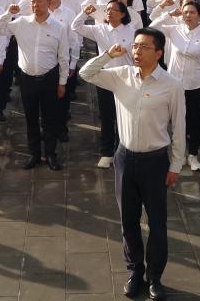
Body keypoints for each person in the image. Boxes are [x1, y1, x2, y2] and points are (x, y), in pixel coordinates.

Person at [79, 30, 185, 301]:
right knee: (128, 220)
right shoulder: (121, 75)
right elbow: (85, 73)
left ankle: (155, 277)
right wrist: (107, 55)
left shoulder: (171, 85)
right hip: (125, 159)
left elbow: (179, 127)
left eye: (144, 47)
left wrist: (176, 165)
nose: (137, 51)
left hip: (155, 161)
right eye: (135, 46)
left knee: (157, 223)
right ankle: (135, 271)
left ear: (158, 53)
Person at [0, 0, 70, 171]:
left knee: (50, 118)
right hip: (27, 78)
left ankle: (50, 154)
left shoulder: (58, 27)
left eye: (40, 1)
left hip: (49, 77)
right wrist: (8, 14)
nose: (36, 5)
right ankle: (34, 154)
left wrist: (62, 82)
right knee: (31, 117)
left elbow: (63, 57)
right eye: (33, 1)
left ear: (49, 2)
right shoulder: (21, 23)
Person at [151, 0, 200, 171]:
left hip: (196, 85)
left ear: (199, 16)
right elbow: (152, 27)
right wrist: (169, 14)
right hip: (174, 85)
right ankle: (176, 155)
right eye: (185, 12)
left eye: (192, 12)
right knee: (174, 121)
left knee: (194, 122)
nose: (188, 15)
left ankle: (193, 154)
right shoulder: (174, 29)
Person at [71, 0, 135, 168]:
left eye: (114, 10)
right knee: (107, 116)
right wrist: (85, 13)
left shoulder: (132, 32)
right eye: (107, 9)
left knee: (124, 117)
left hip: (126, 79)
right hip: (105, 78)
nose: (109, 12)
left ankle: (122, 151)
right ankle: (106, 153)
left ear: (122, 14)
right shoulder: (100, 29)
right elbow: (75, 27)